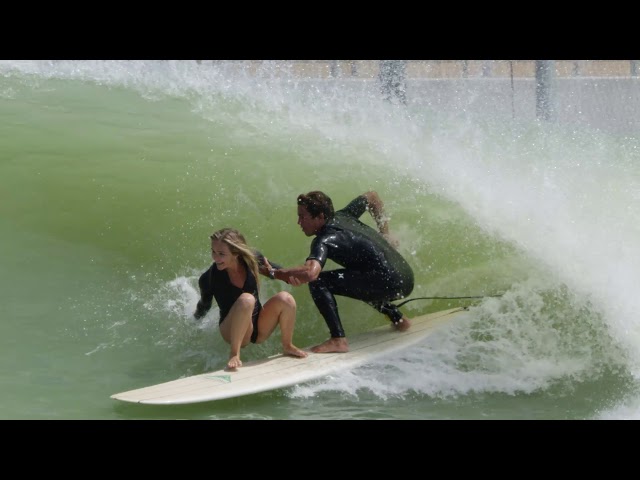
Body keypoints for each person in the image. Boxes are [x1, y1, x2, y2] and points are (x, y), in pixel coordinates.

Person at [262, 191, 414, 353]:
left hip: (389, 282)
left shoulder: (324, 239)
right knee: (358, 277)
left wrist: (275, 273)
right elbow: (372, 197)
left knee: (319, 282)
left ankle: (338, 340)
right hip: (405, 277)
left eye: (303, 216)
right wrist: (385, 233)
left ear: (320, 217)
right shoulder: (345, 215)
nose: (299, 222)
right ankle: (399, 319)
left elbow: (311, 273)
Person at [194, 228, 308, 369]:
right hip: (231, 331)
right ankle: (234, 354)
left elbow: (274, 270)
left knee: (286, 299)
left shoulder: (252, 259)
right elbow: (204, 305)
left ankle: (288, 345)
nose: (215, 258)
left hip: (258, 326)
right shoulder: (208, 278)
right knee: (247, 300)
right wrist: (195, 323)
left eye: (221, 254)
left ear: (235, 253)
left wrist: (293, 277)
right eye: (213, 252)